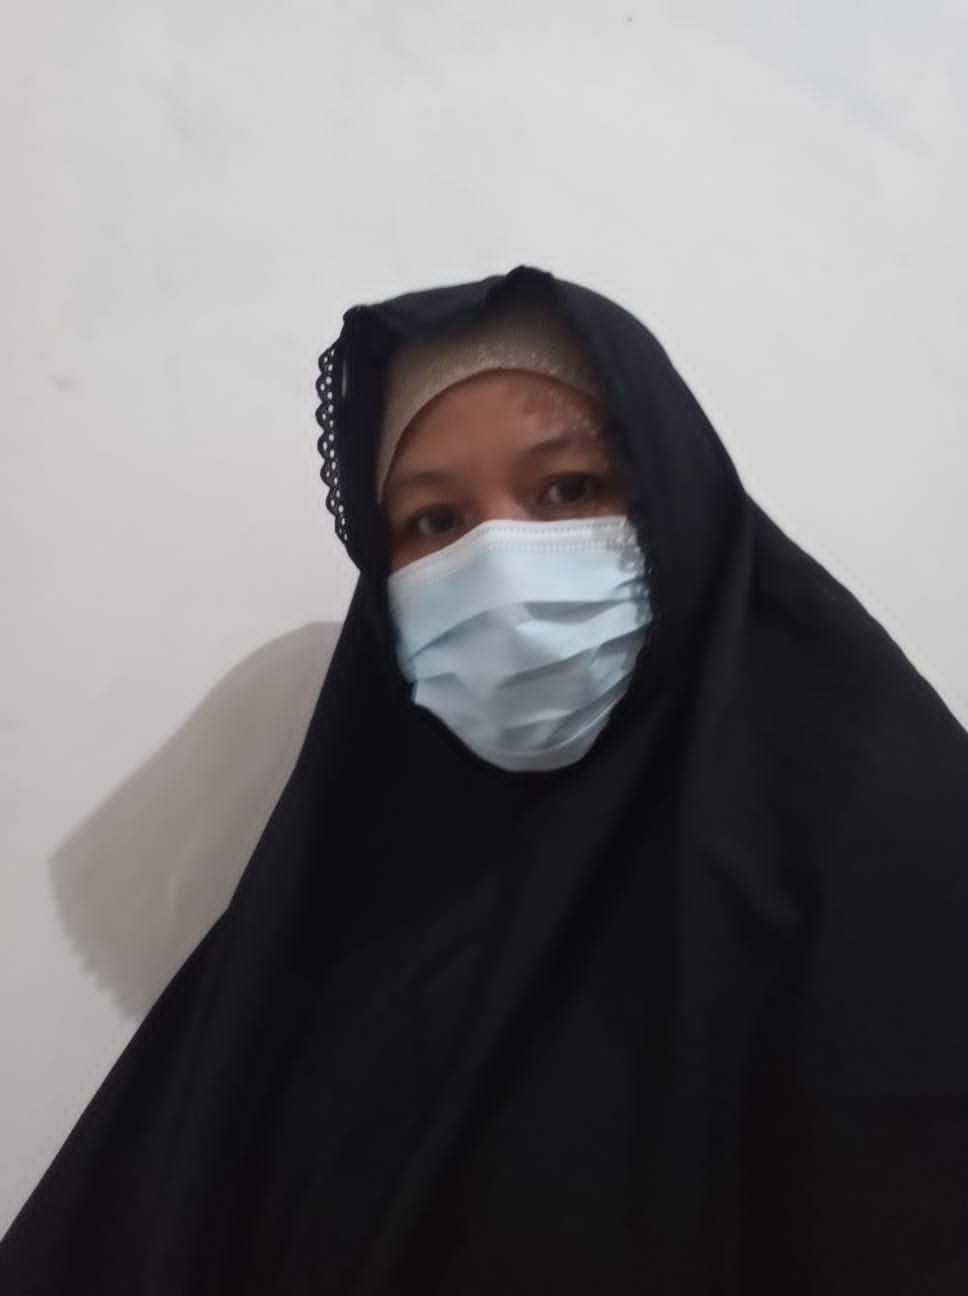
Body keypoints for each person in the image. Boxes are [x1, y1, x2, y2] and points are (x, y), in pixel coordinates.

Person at [1, 264, 966, 1294]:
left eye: (568, 489)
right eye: (433, 522)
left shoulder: (889, 845)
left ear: (673, 495)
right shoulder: (352, 886)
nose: (501, 563)